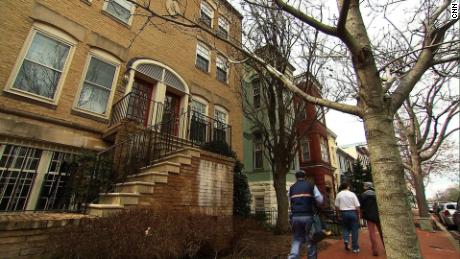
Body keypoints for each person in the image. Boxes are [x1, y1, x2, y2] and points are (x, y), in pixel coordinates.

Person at [288, 170, 323, 259]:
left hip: (295, 216)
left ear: (296, 177)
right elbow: (320, 200)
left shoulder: (291, 188)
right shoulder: (311, 186)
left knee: (297, 238)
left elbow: (290, 202)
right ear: (305, 176)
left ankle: (292, 257)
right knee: (311, 239)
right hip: (308, 216)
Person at [335, 182, 360, 253]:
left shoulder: (339, 194)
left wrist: (338, 214)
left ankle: (346, 240)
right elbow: (357, 205)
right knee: (354, 230)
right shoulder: (352, 194)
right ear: (347, 187)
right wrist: (358, 214)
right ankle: (355, 248)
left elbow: (336, 206)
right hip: (352, 212)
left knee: (345, 228)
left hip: (343, 213)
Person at [360, 182, 384, 256]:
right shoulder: (377, 193)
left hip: (369, 216)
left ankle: (375, 250)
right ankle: (387, 247)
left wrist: (361, 215)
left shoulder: (363, 195)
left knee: (372, 233)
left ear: (366, 187)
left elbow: (361, 207)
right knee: (382, 232)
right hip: (379, 215)